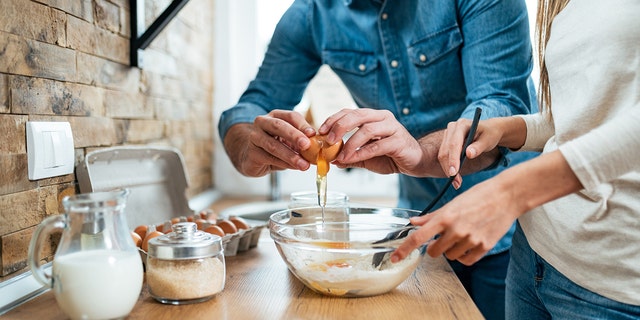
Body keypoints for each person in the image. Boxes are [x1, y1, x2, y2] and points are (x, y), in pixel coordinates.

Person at [218, 1, 538, 318]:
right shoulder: (313, 14)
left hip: (514, 229)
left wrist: (421, 152)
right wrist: (246, 145)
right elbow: (252, 105)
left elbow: (502, 105)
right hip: (417, 230)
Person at [390, 0, 640, 318]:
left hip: (614, 285)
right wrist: (511, 129)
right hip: (534, 257)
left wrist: (512, 190)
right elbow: (587, 113)